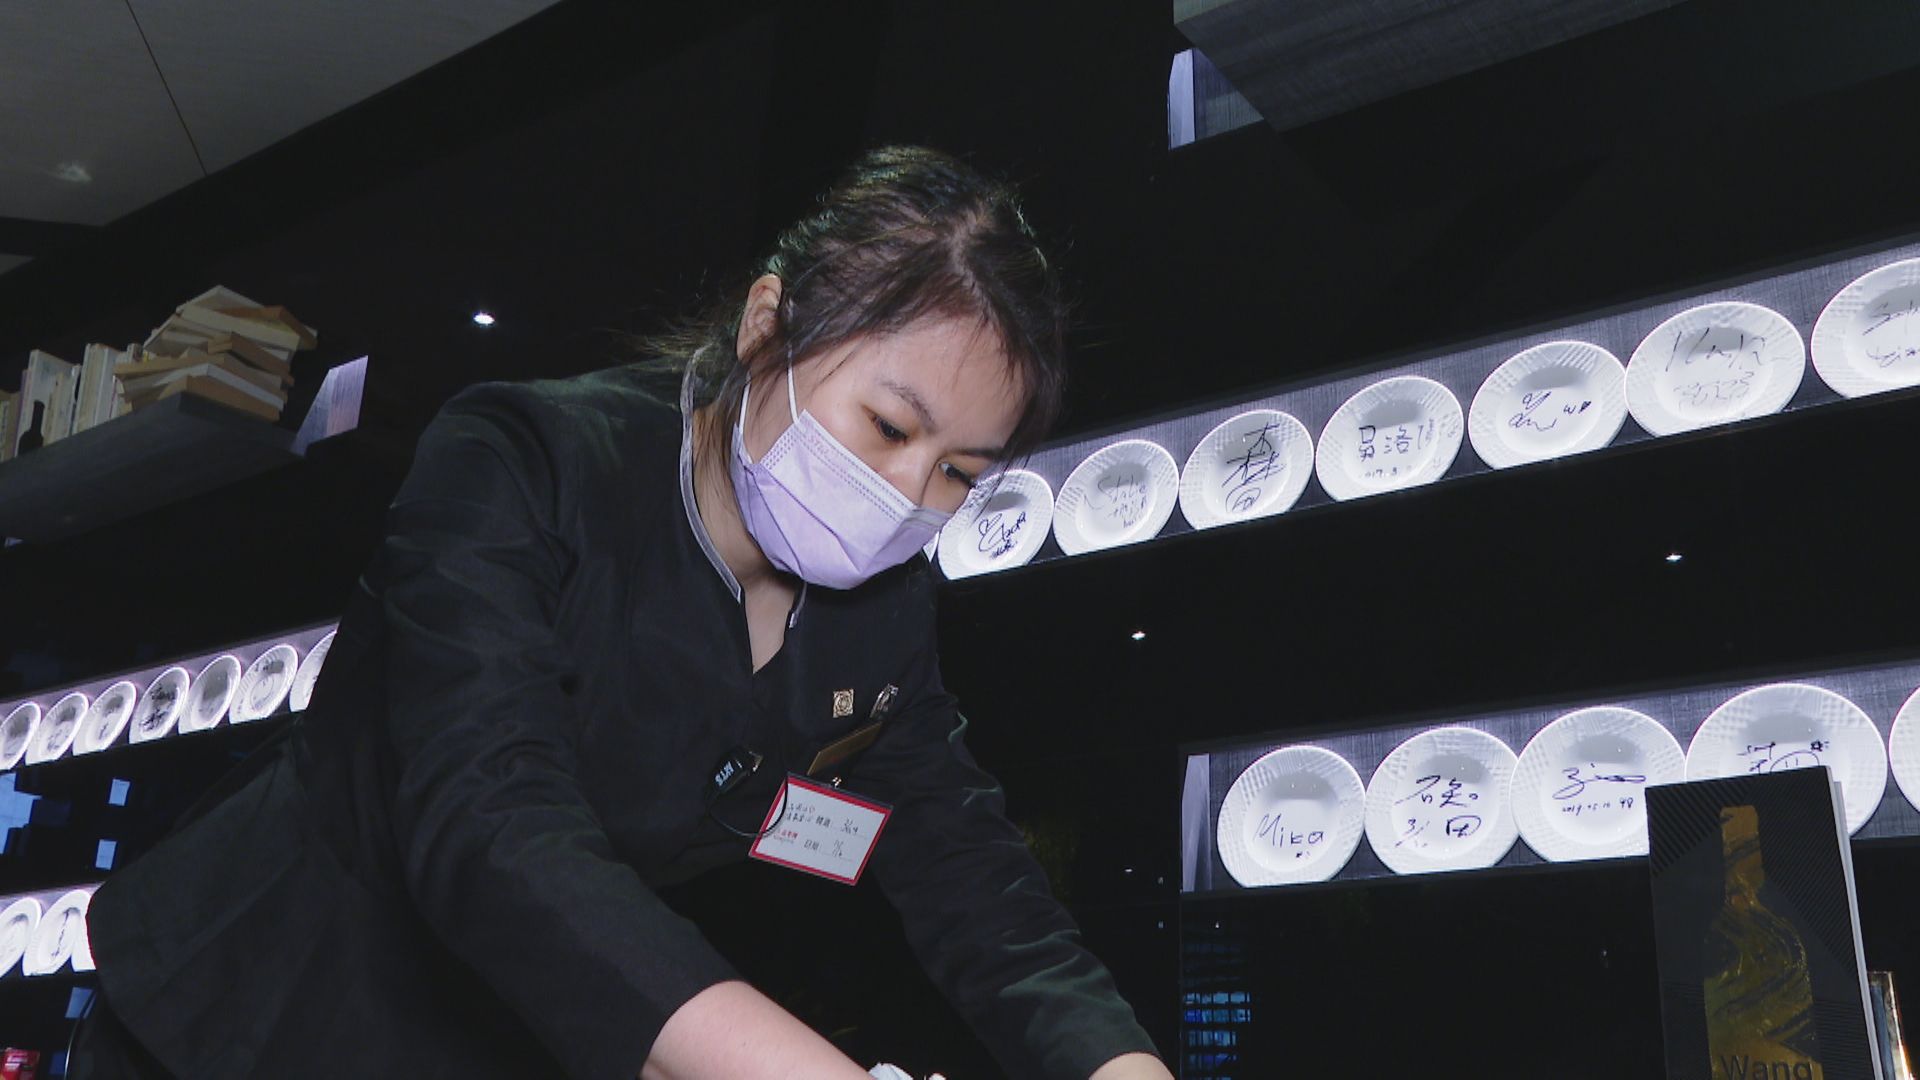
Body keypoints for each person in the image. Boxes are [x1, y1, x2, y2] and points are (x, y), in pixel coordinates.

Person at [71, 145, 1172, 1080]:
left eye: (959, 473)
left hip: (508, 1030)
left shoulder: (879, 615)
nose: (906, 493)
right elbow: (493, 820)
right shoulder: (525, 462)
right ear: (767, 329)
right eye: (888, 428)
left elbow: (959, 864)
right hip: (249, 1001)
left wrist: (1118, 1065)